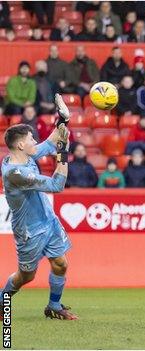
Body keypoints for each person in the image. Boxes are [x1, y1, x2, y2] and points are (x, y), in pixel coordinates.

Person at [1, 95, 78, 320]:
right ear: (20, 144)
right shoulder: (15, 173)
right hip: (29, 231)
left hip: (48, 220)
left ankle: (53, 306)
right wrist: (63, 153)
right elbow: (56, 184)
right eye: (31, 138)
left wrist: (63, 120)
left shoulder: (22, 156)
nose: (35, 140)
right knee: (26, 276)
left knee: (61, 263)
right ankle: (1, 300)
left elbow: (50, 142)